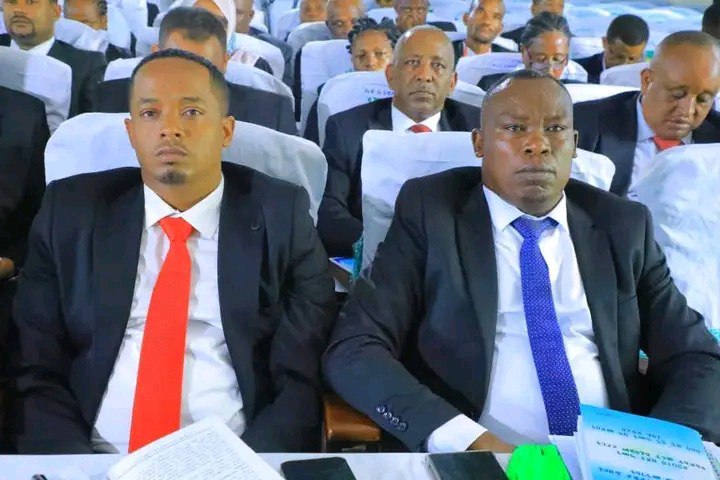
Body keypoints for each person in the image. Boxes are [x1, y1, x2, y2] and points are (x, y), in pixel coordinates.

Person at [323, 69, 720, 453]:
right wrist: (464, 439)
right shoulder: (431, 212)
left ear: (574, 143)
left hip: (610, 457)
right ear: (480, 143)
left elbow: (696, 355)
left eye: (555, 128)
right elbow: (356, 347)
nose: (538, 145)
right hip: (479, 454)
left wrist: (659, 451)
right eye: (515, 128)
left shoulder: (622, 225)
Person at [7, 48, 336, 454]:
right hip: (89, 454)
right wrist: (73, 466)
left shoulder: (281, 215)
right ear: (131, 132)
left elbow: (299, 379)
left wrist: (250, 465)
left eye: (191, 112)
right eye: (150, 113)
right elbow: (35, 364)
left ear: (226, 131)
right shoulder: (70, 212)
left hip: (233, 455)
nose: (169, 129)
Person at [317, 26, 480, 257]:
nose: (424, 75)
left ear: (452, 83)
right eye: (413, 63)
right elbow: (329, 211)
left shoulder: (477, 127)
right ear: (391, 75)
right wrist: (388, 249)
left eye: (437, 65)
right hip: (376, 257)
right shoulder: (347, 128)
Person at [95, 7, 297, 135]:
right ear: (155, 55)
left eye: (204, 67)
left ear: (225, 62)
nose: (189, 80)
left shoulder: (270, 113)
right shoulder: (112, 102)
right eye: (178, 65)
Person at [575, 31, 720, 197]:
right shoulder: (583, 125)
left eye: (703, 99)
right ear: (646, 81)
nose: (687, 111)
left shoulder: (716, 137)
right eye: (677, 94)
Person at [0, 0, 107, 116]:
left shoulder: (87, 66)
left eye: (31, 2)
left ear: (56, 11)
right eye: (11, 2)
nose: (19, 10)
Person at [303, 17, 400, 144]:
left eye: (379, 54)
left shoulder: (408, 90)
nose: (370, 63)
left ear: (395, 56)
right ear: (352, 60)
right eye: (361, 56)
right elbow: (313, 145)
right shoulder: (330, 93)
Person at [478, 12, 574, 91]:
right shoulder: (493, 88)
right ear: (523, 52)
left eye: (557, 59)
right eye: (540, 59)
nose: (549, 70)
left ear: (566, 59)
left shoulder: (578, 95)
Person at [234, 0, 294, 86]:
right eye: (224, 12)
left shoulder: (278, 50)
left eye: (237, 13)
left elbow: (283, 93)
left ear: (250, 15)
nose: (228, 18)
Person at [576, 14, 648, 84]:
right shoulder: (577, 73)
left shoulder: (647, 80)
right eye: (619, 57)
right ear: (605, 43)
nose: (624, 65)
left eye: (632, 59)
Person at [62, 0, 134, 62]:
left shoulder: (123, 61)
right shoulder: (57, 59)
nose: (76, 30)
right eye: (70, 23)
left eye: (84, 23)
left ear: (104, 21)